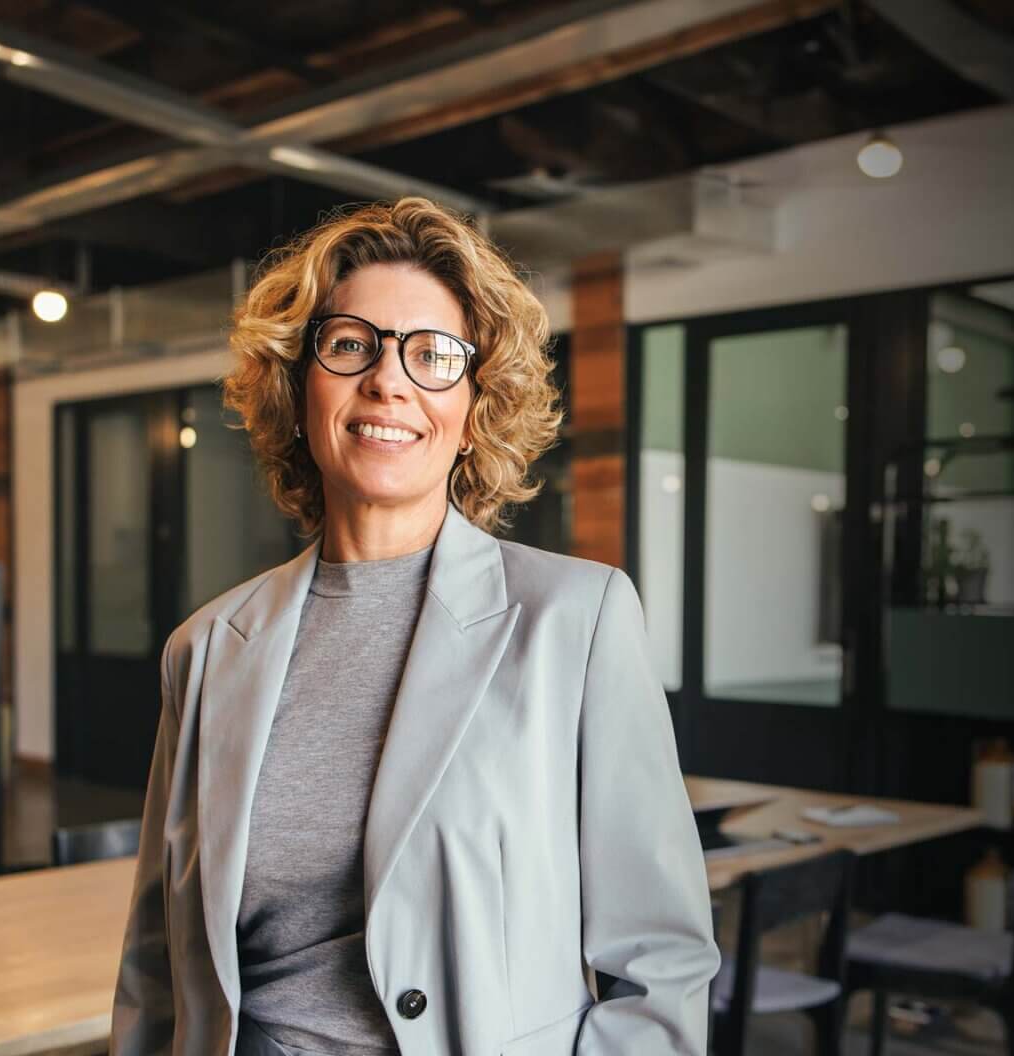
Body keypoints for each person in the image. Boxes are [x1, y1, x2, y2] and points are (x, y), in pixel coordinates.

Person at [109, 197, 718, 1055]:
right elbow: (156, 968)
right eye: (350, 345)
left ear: (474, 410)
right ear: (299, 389)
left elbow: (661, 961)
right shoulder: (206, 649)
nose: (388, 381)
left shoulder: (577, 622)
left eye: (433, 355)